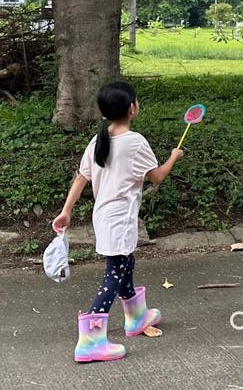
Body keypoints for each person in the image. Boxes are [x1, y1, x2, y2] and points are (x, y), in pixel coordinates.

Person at [52, 81, 183, 363]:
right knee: (114, 273)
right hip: (120, 220)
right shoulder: (135, 142)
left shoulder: (98, 140)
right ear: (132, 108)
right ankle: (90, 341)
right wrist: (174, 156)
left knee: (125, 262)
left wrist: (66, 211)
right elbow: (157, 177)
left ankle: (137, 317)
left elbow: (81, 177)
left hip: (104, 217)